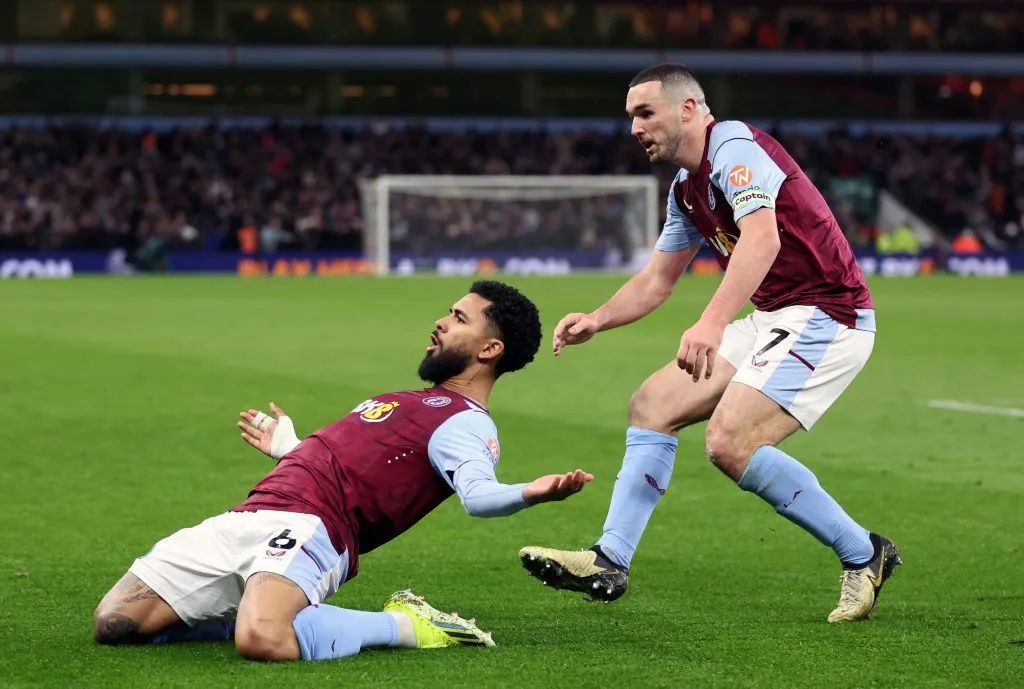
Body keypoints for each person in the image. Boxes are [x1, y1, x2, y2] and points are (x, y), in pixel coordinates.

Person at [519, 64, 901, 623]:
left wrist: (713, 321)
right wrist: (597, 319)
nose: (634, 128)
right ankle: (610, 559)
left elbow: (763, 237)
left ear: (689, 110)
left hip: (829, 314)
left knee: (730, 442)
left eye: (645, 113)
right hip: (777, 315)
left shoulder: (734, 148)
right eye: (630, 117)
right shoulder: (685, 188)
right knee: (652, 405)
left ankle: (864, 554)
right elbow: (656, 281)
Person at [93, 280, 594, 660]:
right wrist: (290, 447)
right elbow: (347, 462)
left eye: (459, 319)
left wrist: (531, 492)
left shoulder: (465, 424)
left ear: (489, 349)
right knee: (114, 622)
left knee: (262, 638)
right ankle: (261, 606)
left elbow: (479, 497)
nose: (441, 322)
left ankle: (406, 624)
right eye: (448, 312)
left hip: (311, 528)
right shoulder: (405, 399)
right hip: (250, 512)